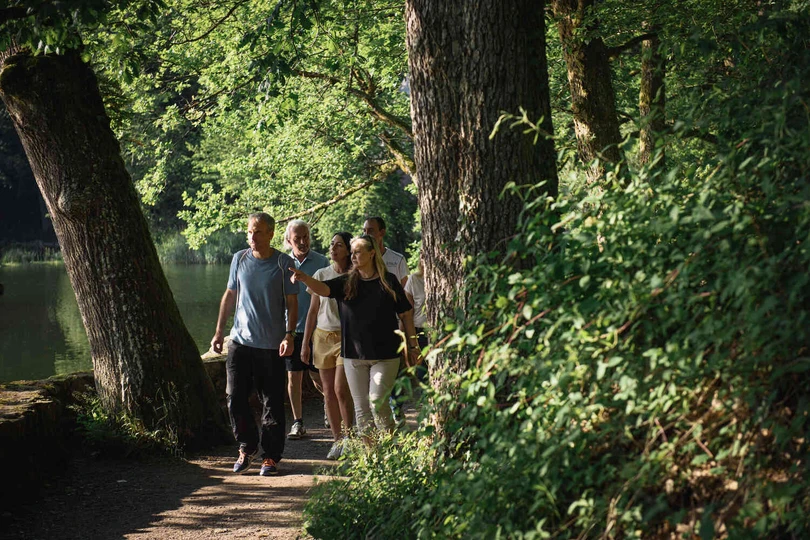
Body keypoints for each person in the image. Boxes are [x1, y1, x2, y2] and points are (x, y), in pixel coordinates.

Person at [290, 234, 420, 437]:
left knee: (377, 403)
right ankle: (370, 453)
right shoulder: (346, 282)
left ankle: (390, 448)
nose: (353, 256)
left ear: (372, 253)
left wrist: (412, 346)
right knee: (361, 410)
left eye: (358, 252)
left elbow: (405, 314)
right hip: (353, 356)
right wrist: (304, 278)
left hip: (385, 355)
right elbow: (323, 289)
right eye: (352, 252)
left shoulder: (388, 281)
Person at [211, 213, 299, 477]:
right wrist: (219, 332)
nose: (252, 237)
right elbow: (230, 294)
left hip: (271, 345)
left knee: (272, 401)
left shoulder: (284, 263)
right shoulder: (239, 259)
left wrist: (289, 335)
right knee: (234, 397)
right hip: (240, 342)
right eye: (250, 231)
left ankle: (270, 456)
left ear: (271, 234)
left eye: (258, 232)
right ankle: (247, 447)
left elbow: (291, 302)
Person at [300, 232, 355, 459]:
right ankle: (337, 440)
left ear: (349, 250)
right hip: (322, 337)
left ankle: (350, 438)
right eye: (332, 244)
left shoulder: (355, 276)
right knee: (329, 392)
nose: (333, 248)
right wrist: (305, 343)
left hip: (346, 338)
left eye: (339, 245)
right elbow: (312, 311)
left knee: (341, 389)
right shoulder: (321, 274)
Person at [283, 220, 328, 440]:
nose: (302, 241)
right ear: (288, 240)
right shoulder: (281, 262)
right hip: (291, 331)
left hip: (318, 330)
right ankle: (298, 423)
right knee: (294, 377)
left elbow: (328, 295)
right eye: (297, 238)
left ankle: (329, 407)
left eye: (306, 237)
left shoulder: (321, 262)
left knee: (318, 377)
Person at [404, 255, 429, 383]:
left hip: (440, 332)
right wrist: (407, 340)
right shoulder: (414, 279)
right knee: (422, 372)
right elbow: (407, 313)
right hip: (420, 332)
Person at [363, 216, 408, 287]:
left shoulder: (398, 259)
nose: (366, 234)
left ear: (382, 233)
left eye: (371, 230)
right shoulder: (360, 260)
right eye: (364, 231)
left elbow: (406, 289)